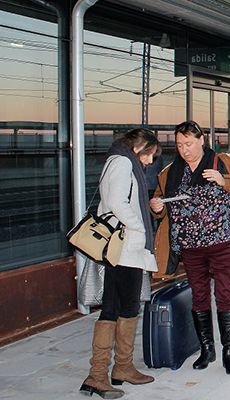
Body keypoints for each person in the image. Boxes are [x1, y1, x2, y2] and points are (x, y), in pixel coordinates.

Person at [150, 121, 230, 375]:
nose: (184, 150)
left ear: (201, 140)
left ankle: (229, 352)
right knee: (199, 297)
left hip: (224, 242)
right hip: (191, 248)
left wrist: (224, 180)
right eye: (179, 144)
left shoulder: (223, 162)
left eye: (188, 143)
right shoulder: (169, 173)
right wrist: (157, 207)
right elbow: (162, 206)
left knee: (225, 295)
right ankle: (207, 349)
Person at [80, 128, 160, 399]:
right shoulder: (123, 162)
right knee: (116, 309)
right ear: (142, 147)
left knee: (123, 307)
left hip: (126, 250)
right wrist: (139, 227)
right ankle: (100, 374)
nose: (149, 162)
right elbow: (116, 202)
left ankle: (119, 369)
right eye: (150, 155)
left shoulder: (119, 160)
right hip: (124, 249)